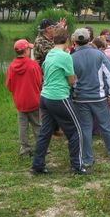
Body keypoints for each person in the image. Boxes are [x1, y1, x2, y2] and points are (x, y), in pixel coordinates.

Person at [31, 28, 86, 175]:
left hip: (45, 97)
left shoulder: (50, 54)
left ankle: (38, 165)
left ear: (53, 40)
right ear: (67, 40)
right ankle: (77, 166)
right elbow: (71, 80)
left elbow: (45, 70)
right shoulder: (65, 56)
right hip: (58, 97)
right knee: (76, 131)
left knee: (45, 132)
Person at [71, 28, 110, 166]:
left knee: (85, 128)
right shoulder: (99, 55)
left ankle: (87, 159)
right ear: (89, 39)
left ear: (75, 41)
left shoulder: (72, 57)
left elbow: (71, 80)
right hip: (99, 97)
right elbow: (109, 74)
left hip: (80, 98)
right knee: (106, 125)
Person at [6, 39, 42, 157]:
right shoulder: (33, 65)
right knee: (37, 124)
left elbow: (9, 85)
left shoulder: (11, 66)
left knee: (22, 126)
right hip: (33, 100)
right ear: (26, 50)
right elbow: (39, 82)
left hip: (20, 102)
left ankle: (25, 150)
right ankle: (41, 148)